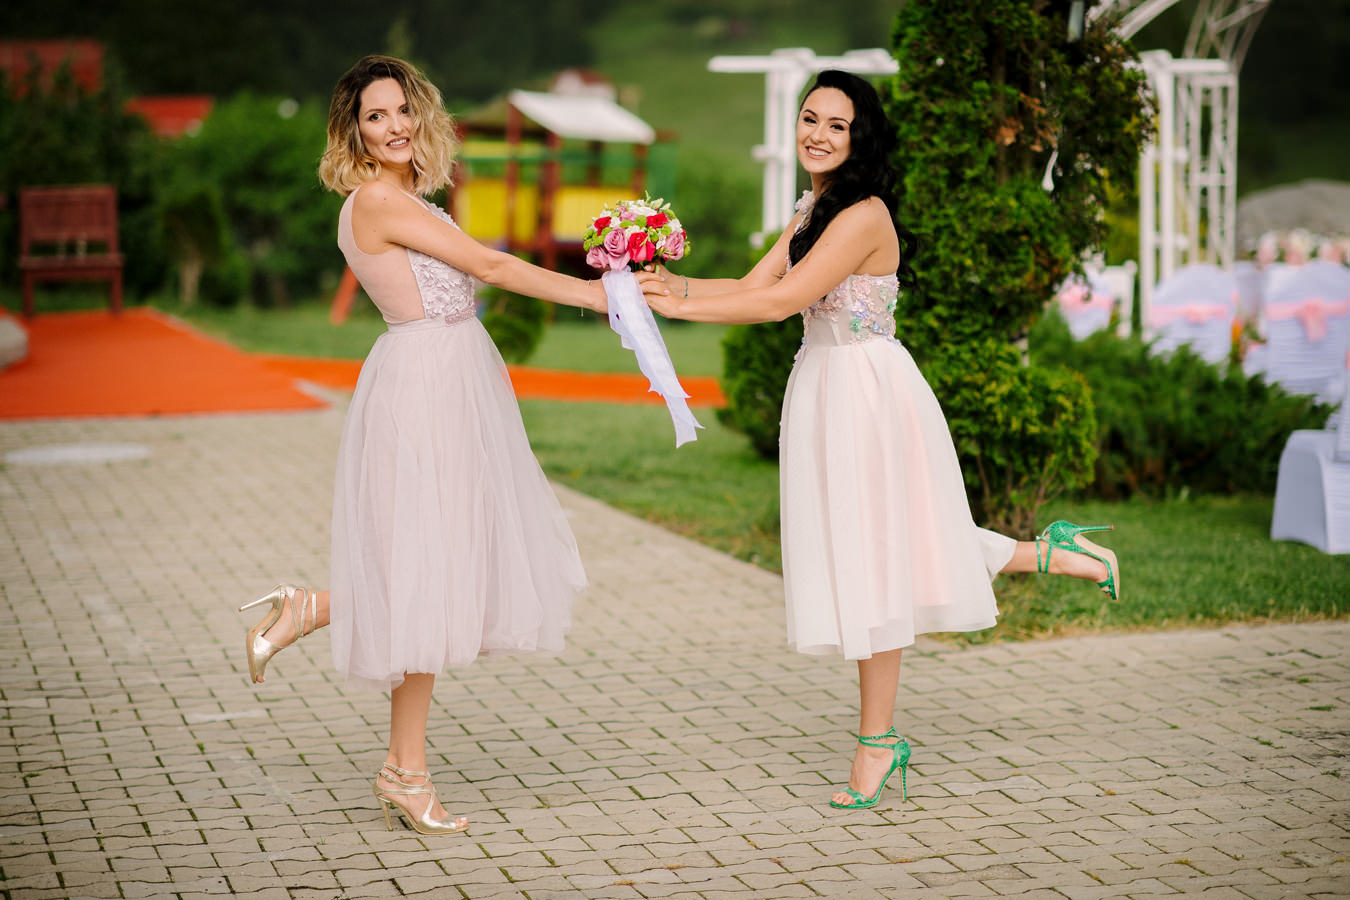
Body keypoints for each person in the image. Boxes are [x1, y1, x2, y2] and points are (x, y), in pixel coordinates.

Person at [640, 70, 1119, 810]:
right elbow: (747, 284)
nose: (818, 134)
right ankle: (1052, 552)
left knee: (881, 556)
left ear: (861, 137)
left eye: (837, 124)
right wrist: (663, 288)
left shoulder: (863, 215)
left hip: (867, 393)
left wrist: (679, 311)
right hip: (822, 388)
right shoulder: (813, 207)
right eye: (810, 118)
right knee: (895, 542)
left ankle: (878, 742)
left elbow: (781, 303)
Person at [238, 54, 605, 835]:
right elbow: (490, 265)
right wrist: (592, 293)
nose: (395, 125)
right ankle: (331, 642)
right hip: (425, 388)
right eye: (376, 116)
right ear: (354, 133)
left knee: (434, 577)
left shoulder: (410, 198)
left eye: (403, 109)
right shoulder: (376, 199)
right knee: (427, 576)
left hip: (449, 379)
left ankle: (400, 763)